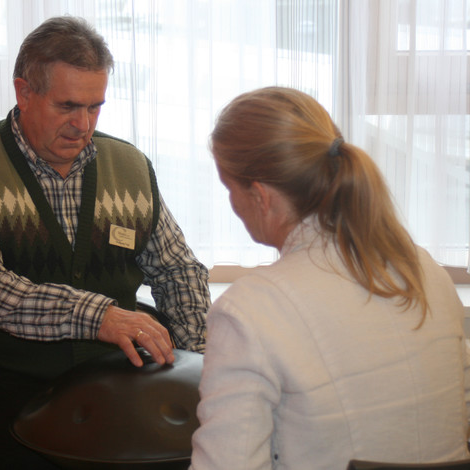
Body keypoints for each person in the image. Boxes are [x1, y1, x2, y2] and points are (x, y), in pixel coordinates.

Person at [0, 16, 210, 469]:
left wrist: (202, 359)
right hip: (2, 372)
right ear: (24, 93)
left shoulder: (129, 166)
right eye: (68, 106)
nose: (83, 124)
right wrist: (97, 316)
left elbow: (178, 270)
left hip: (111, 370)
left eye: (95, 107)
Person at [190, 86, 470, 470]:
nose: (231, 202)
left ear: (260, 196)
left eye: (229, 188)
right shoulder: (422, 269)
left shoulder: (250, 310)